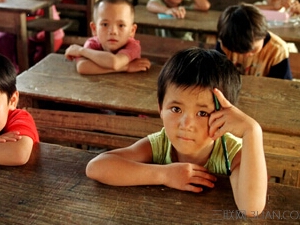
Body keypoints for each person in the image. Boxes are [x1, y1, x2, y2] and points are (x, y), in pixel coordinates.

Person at [86, 47, 267, 217]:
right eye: (176, 109)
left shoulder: (231, 152)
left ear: (226, 116)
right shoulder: (160, 144)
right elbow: (97, 167)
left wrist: (252, 131)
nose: (186, 124)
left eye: (202, 113)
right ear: (160, 108)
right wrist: (165, 175)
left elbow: (251, 208)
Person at [64, 0, 151, 74]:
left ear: (132, 31)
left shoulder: (132, 46)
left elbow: (114, 63)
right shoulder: (92, 43)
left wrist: (81, 51)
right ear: (94, 29)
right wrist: (126, 67)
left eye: (121, 25)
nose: (113, 31)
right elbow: (83, 67)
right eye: (105, 24)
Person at [216, 3, 292, 80]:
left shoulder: (277, 50)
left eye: (253, 50)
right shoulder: (226, 42)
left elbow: (282, 85)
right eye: (239, 51)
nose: (247, 55)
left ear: (264, 35)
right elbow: (217, 76)